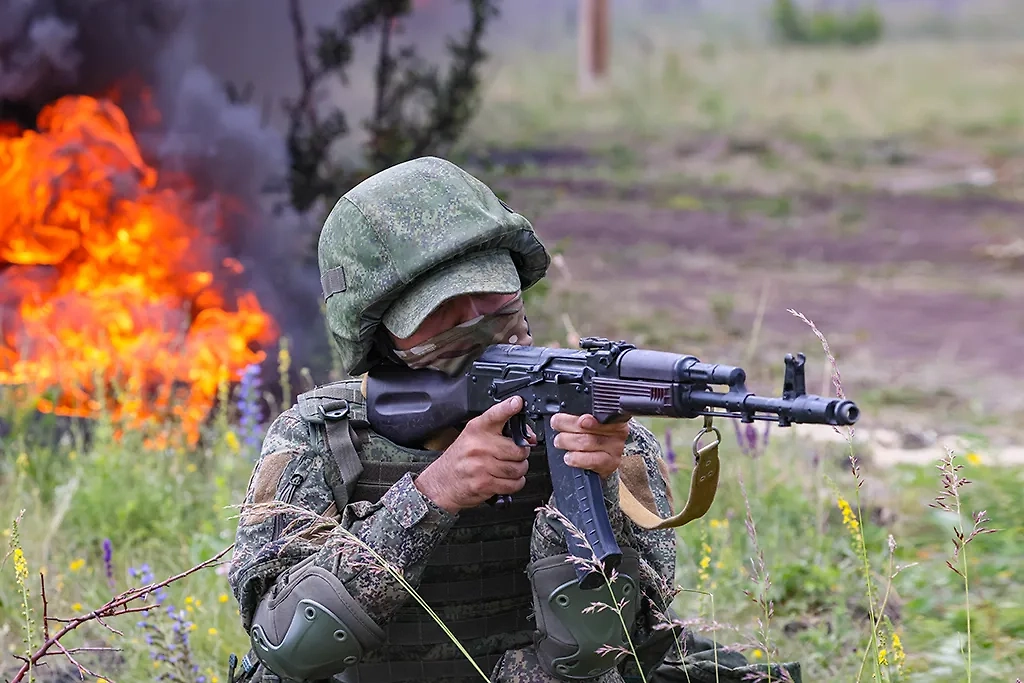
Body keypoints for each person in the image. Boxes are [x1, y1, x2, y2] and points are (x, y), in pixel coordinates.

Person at [227, 157, 801, 683]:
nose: (479, 318)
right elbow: (289, 645)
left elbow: (617, 637)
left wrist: (591, 484)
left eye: (494, 295)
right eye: (444, 312)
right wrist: (431, 496)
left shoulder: (589, 421)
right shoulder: (324, 436)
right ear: (382, 335)